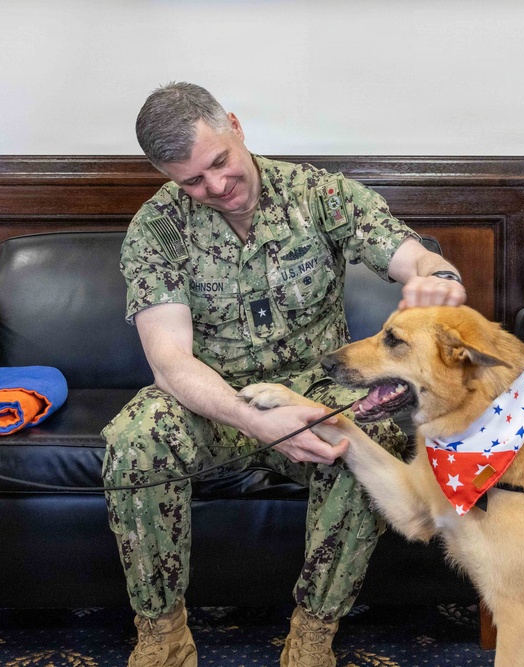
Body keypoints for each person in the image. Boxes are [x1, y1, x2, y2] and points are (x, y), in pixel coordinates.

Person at [102, 81, 467, 667]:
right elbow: (171, 361)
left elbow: (410, 254)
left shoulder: (317, 194)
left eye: (220, 162)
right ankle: (163, 635)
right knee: (132, 443)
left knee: (369, 438)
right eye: (193, 181)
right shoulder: (156, 230)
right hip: (213, 397)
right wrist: (255, 421)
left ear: (237, 127)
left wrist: (437, 274)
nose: (216, 187)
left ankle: (312, 636)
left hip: (317, 386)